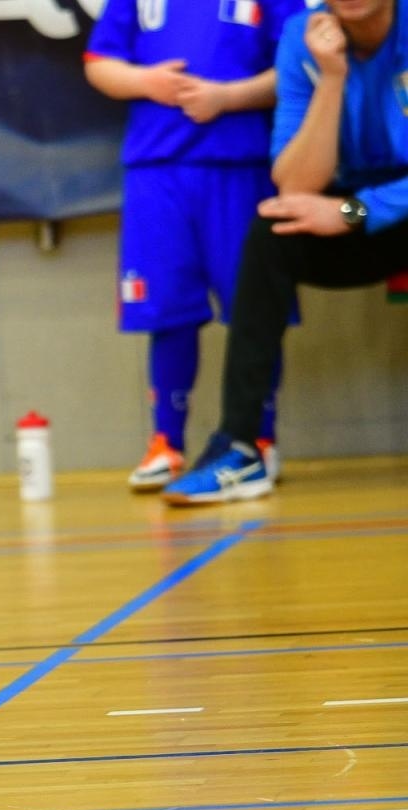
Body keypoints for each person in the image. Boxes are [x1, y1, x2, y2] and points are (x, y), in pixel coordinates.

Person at [164, 0, 408, 505]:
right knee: (272, 233)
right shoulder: (304, 37)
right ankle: (240, 448)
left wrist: (354, 211)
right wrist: (332, 77)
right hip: (350, 215)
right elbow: (296, 183)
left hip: (373, 210)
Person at [85, 0, 302, 492]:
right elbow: (99, 63)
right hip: (157, 169)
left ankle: (258, 440)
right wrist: (145, 82)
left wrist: (229, 97)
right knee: (166, 309)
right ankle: (166, 441)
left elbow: (299, 67)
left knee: (255, 309)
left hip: (239, 167)